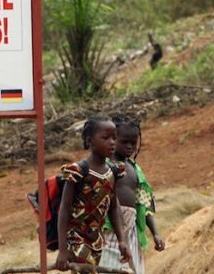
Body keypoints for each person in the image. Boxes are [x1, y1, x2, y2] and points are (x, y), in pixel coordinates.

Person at [56, 116, 130, 271]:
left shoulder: (114, 171)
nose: (112, 142)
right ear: (90, 141)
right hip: (76, 239)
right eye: (106, 138)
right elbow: (64, 209)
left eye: (114, 138)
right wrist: (63, 250)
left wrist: (122, 240)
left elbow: (113, 207)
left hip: (96, 240)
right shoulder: (78, 171)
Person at [100, 114, 165, 274]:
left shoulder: (135, 169)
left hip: (132, 231)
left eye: (133, 143)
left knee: (135, 269)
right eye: (124, 142)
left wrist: (155, 233)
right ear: (113, 139)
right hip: (109, 227)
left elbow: (143, 204)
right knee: (109, 268)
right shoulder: (104, 166)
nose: (130, 146)